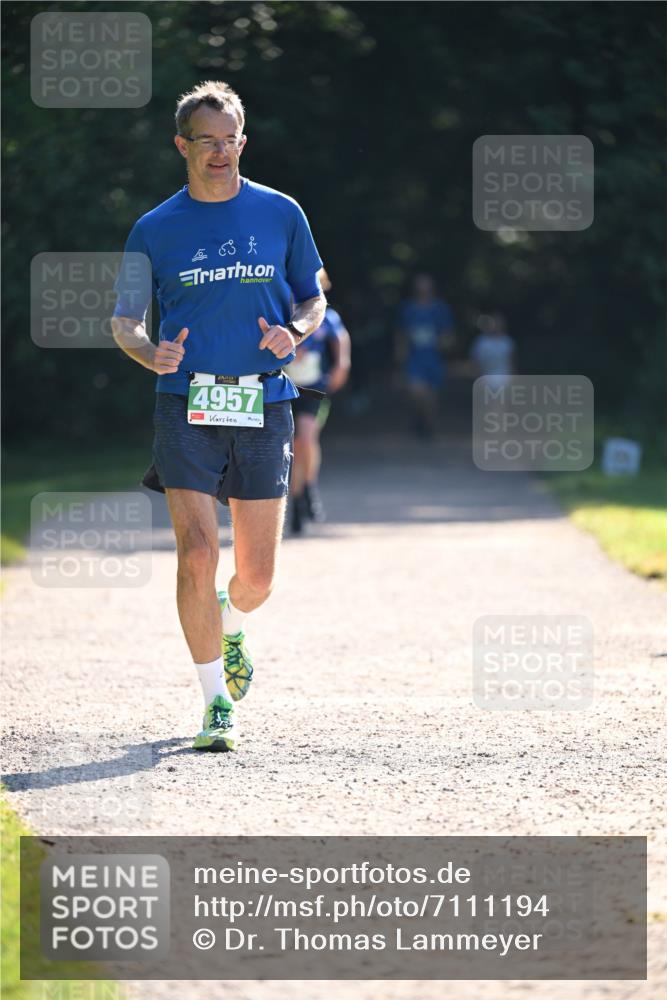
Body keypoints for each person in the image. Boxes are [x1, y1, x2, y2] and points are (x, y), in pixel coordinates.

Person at [111, 81, 326, 752]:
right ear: (183, 145)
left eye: (230, 139)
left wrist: (296, 332)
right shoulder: (155, 228)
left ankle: (231, 623)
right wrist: (150, 353)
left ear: (242, 141)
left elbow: (310, 300)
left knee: (256, 577)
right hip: (185, 404)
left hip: (263, 399)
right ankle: (215, 706)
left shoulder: (280, 212)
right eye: (207, 141)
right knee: (198, 553)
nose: (221, 152)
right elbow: (124, 322)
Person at [285, 268, 351, 534]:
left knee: (306, 439)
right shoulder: (283, 312)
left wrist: (341, 367)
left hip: (314, 388)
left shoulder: (328, 317)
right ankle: (297, 499)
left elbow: (341, 343)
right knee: (290, 445)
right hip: (286, 387)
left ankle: (307, 486)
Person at [395, 274, 455, 439]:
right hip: (414, 359)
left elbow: (449, 334)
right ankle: (418, 419)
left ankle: (428, 426)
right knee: (416, 392)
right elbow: (402, 334)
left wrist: (444, 343)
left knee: (432, 396)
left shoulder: (440, 308)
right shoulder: (408, 309)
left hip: (434, 359)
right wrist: (400, 355)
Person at [470, 312, 515, 389]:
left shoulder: (507, 342)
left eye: (499, 322)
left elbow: (512, 363)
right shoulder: (481, 342)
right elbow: (475, 364)